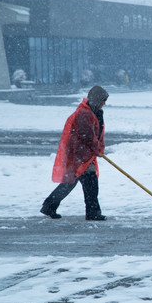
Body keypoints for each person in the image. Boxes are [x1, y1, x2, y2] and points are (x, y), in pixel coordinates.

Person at [40, 85, 109, 221]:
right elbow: (88, 135)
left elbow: (97, 134)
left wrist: (99, 148)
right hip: (79, 155)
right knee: (90, 183)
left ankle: (49, 205)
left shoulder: (95, 112)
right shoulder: (84, 114)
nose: (104, 104)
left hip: (85, 154)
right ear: (96, 100)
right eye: (103, 100)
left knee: (71, 182)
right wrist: (97, 148)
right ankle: (92, 212)